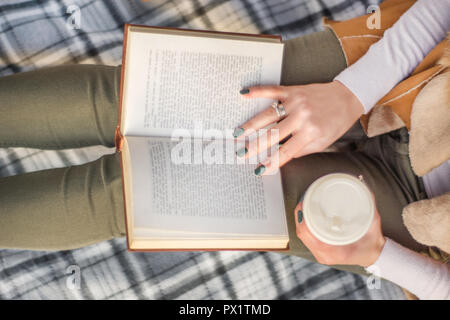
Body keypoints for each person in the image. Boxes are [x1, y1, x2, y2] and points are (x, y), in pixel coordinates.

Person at [0, 0, 448, 299]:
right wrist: (351, 94)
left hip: (417, 217)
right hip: (426, 69)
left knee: (136, 196)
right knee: (135, 101)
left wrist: (377, 256)